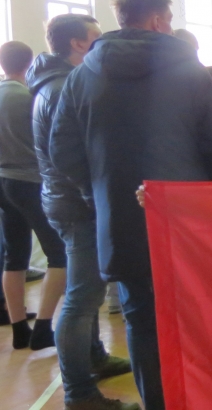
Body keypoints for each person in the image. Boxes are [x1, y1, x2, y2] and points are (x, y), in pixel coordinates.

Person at [49, 0, 212, 408]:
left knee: (139, 318)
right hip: (188, 221)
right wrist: (202, 194)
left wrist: (99, 192)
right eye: (168, 19)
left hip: (120, 219)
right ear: (157, 20)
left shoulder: (82, 75)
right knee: (200, 314)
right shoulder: (189, 70)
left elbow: (61, 150)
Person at [26, 14, 138, 410]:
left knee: (85, 290)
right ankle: (79, 393)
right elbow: (69, 155)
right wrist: (95, 198)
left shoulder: (52, 82)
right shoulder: (63, 87)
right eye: (95, 36)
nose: (101, 43)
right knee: (81, 297)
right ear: (77, 43)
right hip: (76, 204)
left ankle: (94, 356)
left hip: (64, 199)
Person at [0, 41, 68, 351]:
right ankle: (43, 327)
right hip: (30, 181)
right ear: (30, 63)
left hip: (4, 181)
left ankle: (19, 329)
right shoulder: (29, 97)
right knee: (59, 254)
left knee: (13, 257)